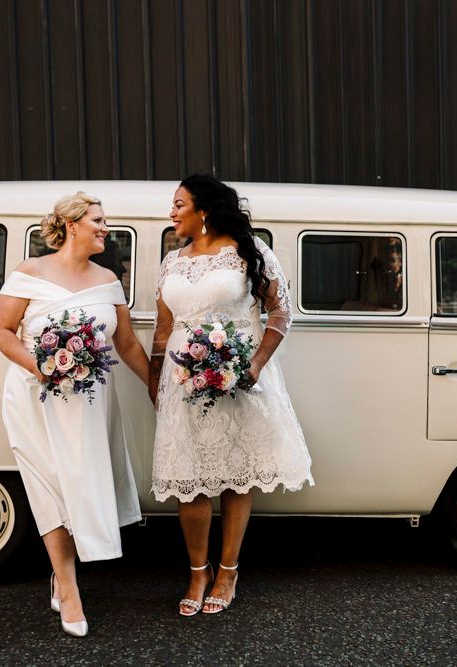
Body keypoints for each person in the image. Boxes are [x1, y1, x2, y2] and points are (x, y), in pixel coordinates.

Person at [149, 175, 313, 616]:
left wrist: (255, 364)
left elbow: (281, 311)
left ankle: (228, 570)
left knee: (236, 472)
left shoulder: (249, 253)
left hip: (239, 377)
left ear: (204, 209)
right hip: (182, 382)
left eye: (179, 204)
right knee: (189, 476)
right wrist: (154, 382)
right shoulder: (171, 262)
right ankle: (197, 571)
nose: (172, 213)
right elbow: (164, 329)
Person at [0, 191, 149, 637]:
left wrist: (158, 387)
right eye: (98, 220)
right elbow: (3, 333)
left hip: (90, 404)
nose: (105, 228)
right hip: (35, 399)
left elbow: (128, 345)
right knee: (50, 492)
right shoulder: (30, 271)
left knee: (78, 489)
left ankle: (61, 577)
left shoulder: (108, 279)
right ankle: (70, 589)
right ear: (72, 224)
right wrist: (40, 366)